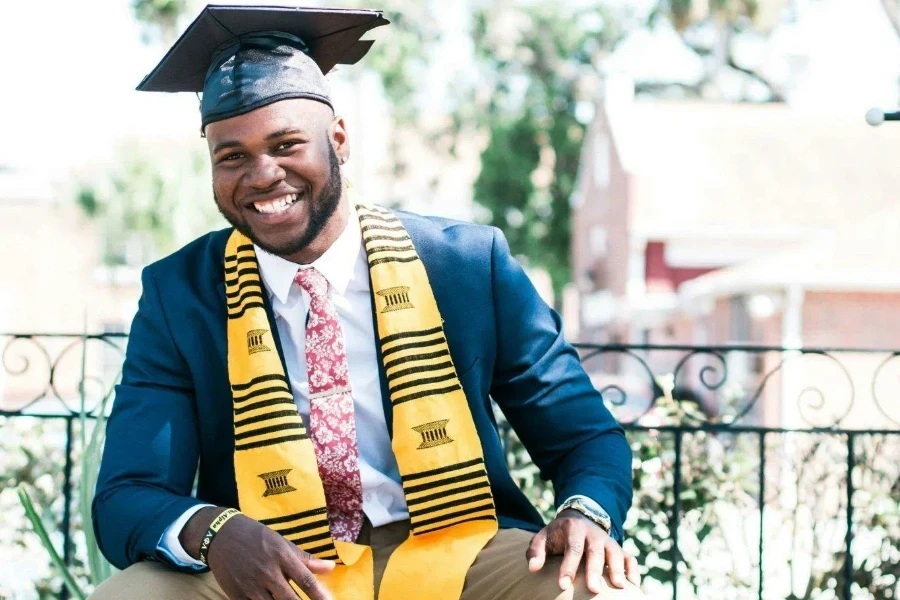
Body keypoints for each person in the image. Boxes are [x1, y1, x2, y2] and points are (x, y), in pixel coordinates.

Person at [89, 6, 642, 600]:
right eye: (233, 156)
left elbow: (585, 437)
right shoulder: (181, 294)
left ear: (338, 140)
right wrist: (214, 532)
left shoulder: (464, 265)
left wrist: (586, 513)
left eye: (286, 143)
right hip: (273, 559)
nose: (262, 174)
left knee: (596, 591)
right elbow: (129, 492)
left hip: (460, 546)